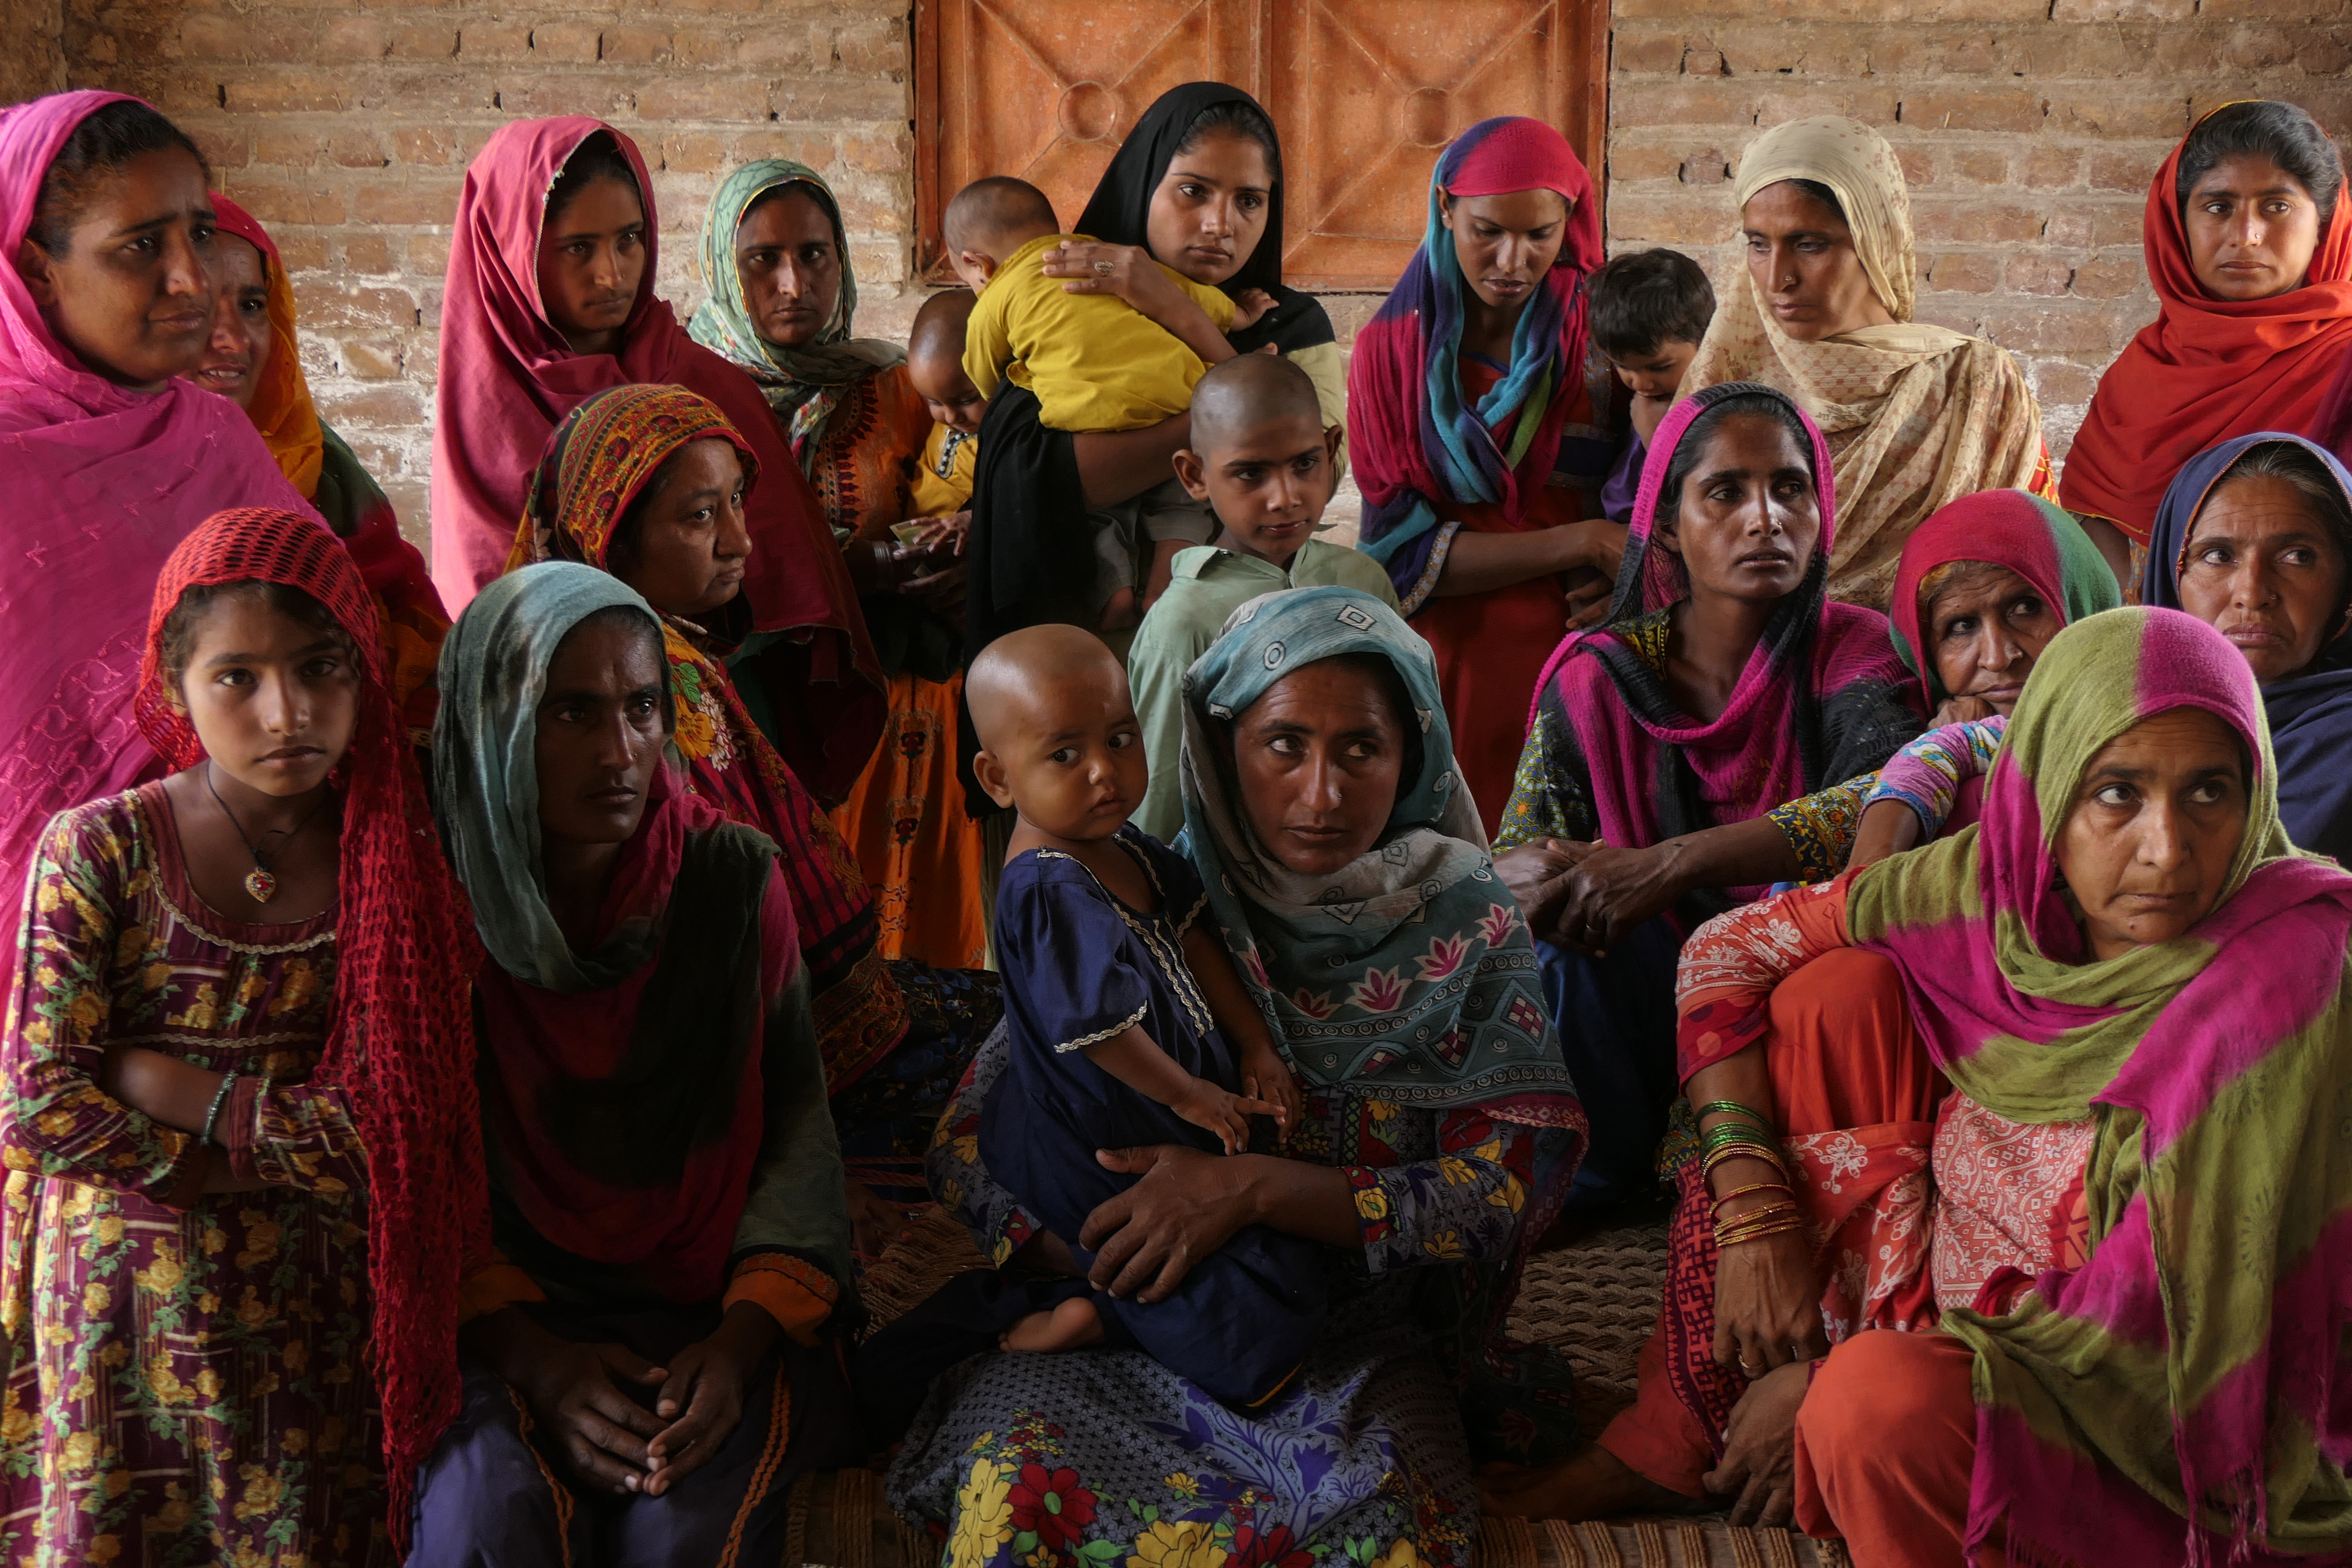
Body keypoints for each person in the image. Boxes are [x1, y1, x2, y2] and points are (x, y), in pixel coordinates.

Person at [1500, 606, 2352, 1563]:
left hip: (2162, 1410)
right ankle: (1702, 1421)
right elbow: (1720, 955)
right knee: (1838, 996)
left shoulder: (2287, 974)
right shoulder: (1991, 888)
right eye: (2116, 794)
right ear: (2047, 794)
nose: (2165, 848)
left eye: (2210, 793)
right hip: (1952, 1307)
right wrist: (1754, 1209)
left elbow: (2161, 1322)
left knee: (1875, 1412)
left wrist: (1836, 1386)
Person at [887, 587, 1584, 1567]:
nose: (1321, 796)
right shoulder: (1127, 892)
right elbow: (968, 1139)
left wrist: (1255, 1191)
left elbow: (1502, 1195)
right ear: (1222, 751)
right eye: (1283, 745)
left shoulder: (1469, 928)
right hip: (1115, 1324)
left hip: (1342, 1342)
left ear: (1414, 751)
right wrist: (1118, 1261)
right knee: (1024, 1495)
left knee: (1371, 1526)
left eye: (1361, 750)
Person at [0, 508, 483, 1562]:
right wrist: (232, 1158)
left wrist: (160, 1078)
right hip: (125, 1320)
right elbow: (38, 1102)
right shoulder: (102, 850)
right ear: (175, 684)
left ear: (363, 670)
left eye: (321, 668)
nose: (288, 712)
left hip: (321, 1323)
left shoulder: (397, 856)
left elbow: (393, 1116)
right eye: (237, 678)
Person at [414, 563, 862, 1565]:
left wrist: (740, 1345)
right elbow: (416, 1177)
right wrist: (537, 1360)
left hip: (704, 1307)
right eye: (570, 711)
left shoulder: (730, 881)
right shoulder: (428, 902)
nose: (620, 752)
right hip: (494, 1314)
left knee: (680, 1537)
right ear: (491, 720)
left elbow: (796, 1131)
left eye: (642, 706)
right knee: (484, 1523)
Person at [1493, 382, 1922, 1214]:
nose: (1765, 518)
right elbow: (1522, 847)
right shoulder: (1598, 677)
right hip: (1645, 993)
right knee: (1558, 951)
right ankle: (1590, 1179)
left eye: (1790, 488)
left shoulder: (1855, 651)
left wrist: (1672, 865)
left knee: (1852, 961)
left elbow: (1889, 803)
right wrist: (1539, 876)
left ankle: (1724, 1169)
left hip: (1793, 982)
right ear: (1665, 525)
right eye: (1725, 492)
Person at [431, 120, 881, 799]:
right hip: (558, 756)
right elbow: (496, 615)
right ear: (510, 252)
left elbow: (783, 577)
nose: (611, 274)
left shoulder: (701, 381)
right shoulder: (482, 412)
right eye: (577, 248)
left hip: (721, 733)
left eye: (629, 240)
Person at [0, 91, 325, 988]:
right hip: (46, 971)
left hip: (252, 934)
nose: (194, 280)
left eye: (196, 232)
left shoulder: (216, 438)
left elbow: (336, 642)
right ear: (35, 271)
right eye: (142, 247)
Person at [965, 623, 1318, 1401]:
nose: (1105, 772)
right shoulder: (1046, 887)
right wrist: (1194, 1096)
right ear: (998, 778)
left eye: (1121, 738)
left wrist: (1255, 1045)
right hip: (1096, 1134)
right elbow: (1105, 1031)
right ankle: (1101, 1313)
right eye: (1065, 755)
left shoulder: (1130, 848)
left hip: (1166, 1109)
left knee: (1289, 1253)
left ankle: (1107, 1300)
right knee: (1226, 1318)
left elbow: (1196, 946)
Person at [691, 158, 990, 967]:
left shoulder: (901, 385)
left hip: (901, 725)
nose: (794, 282)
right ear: (724, 265)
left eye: (816, 255)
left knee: (914, 954)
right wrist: (877, 571)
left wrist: (967, 546)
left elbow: (961, 489)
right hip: (751, 711)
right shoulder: (690, 398)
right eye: (763, 260)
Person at [963, 81, 1347, 657]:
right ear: (1144, 181)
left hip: (1244, 644)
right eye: (1194, 191)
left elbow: (1313, 477)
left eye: (1249, 200)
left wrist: (1171, 305)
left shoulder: (1289, 325)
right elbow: (1060, 478)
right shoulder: (1067, 301)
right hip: (1084, 651)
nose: (1221, 223)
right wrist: (1216, 410)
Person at [1881, 434, 2352, 870]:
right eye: (2217, 555)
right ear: (2173, 573)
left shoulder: (2338, 743)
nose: (2252, 593)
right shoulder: (2129, 710)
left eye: (2298, 556)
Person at [1349, 115, 1622, 834]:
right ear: (1445, 208)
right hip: (1447, 643)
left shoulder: (1607, 336)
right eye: (1488, 231)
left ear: (1573, 218)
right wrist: (1585, 541)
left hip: (1588, 630)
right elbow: (1398, 557)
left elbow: (1658, 485)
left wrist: (1626, 571)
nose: (1514, 259)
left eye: (1541, 234)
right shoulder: (1390, 354)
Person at [1682, 115, 2056, 610]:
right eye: (1758, 244)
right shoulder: (1728, 379)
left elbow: (2034, 567)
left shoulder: (1973, 384)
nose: (1778, 278)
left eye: (1809, 244)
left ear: (1877, 240)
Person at [950, 175, 1271, 631]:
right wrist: (1239, 316)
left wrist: (992, 396)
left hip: (1095, 416)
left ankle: (1116, 592)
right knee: (1183, 493)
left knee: (1099, 517)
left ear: (976, 263)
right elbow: (1188, 293)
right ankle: (1167, 580)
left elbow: (983, 373)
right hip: (1184, 389)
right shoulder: (1103, 257)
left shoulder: (995, 299)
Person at [182, 190, 450, 730]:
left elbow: (412, 631)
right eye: (199, 307)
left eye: (253, 306)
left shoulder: (326, 469)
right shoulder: (117, 489)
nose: (233, 339)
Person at [2065, 102, 2352, 577]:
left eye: (2277, 206)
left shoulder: (2343, 364)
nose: (2246, 236)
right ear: (2179, 226)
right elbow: (2094, 573)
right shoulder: (2137, 377)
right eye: (2218, 206)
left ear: (2324, 225)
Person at [1127, 353, 1398, 839]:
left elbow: (1404, 738)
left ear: (1332, 447)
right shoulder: (1185, 621)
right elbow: (1161, 803)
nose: (1285, 497)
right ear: (1194, 476)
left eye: (1305, 464)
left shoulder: (1363, 584)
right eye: (1251, 474)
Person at [1588, 248, 1716, 526]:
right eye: (1623, 367)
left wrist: (1653, 437)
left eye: (1660, 367)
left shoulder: (1716, 407)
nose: (1641, 384)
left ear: (1706, 343)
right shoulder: (1640, 397)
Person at [906, 288, 982, 519]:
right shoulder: (951, 425)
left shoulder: (1020, 440)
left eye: (967, 399)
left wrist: (973, 521)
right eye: (933, 402)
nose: (951, 418)